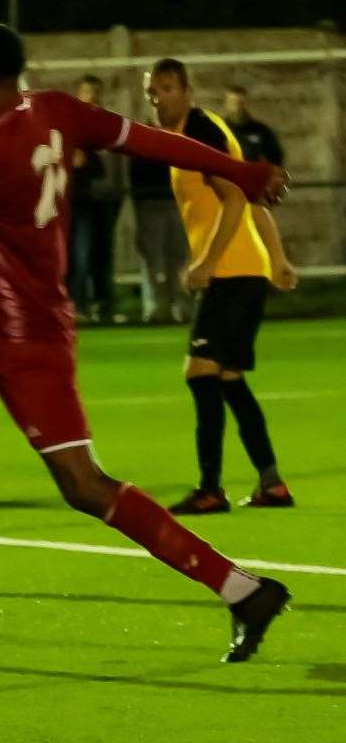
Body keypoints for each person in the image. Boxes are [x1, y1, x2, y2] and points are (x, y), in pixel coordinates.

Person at [0, 22, 291, 664]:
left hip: (22, 340)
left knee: (84, 485)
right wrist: (242, 168)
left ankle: (243, 589)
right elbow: (153, 141)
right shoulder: (55, 112)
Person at [144, 59, 300, 515]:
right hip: (245, 269)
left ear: (188, 91)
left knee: (200, 372)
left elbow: (234, 198)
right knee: (228, 378)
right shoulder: (199, 132)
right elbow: (251, 196)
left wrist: (206, 263)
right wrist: (277, 258)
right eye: (153, 91)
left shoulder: (200, 133)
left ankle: (210, 489)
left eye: (168, 88)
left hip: (231, 272)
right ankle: (272, 484)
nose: (158, 98)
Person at [67, 76, 121, 323]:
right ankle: (77, 305)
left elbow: (102, 167)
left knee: (100, 256)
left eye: (96, 93)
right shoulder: (70, 128)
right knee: (80, 255)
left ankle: (100, 305)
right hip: (76, 205)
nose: (93, 98)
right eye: (89, 92)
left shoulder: (105, 127)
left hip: (101, 203)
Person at [129, 144, 191, 323]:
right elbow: (136, 178)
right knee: (152, 258)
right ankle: (154, 306)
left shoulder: (178, 140)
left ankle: (179, 304)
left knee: (178, 257)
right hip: (151, 204)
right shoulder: (142, 144)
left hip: (177, 204)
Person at [222, 85, 285, 166]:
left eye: (241, 103)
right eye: (232, 102)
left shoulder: (262, 131)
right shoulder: (218, 130)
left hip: (253, 176)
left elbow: (276, 159)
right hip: (227, 177)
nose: (237, 107)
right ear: (226, 104)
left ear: (247, 104)